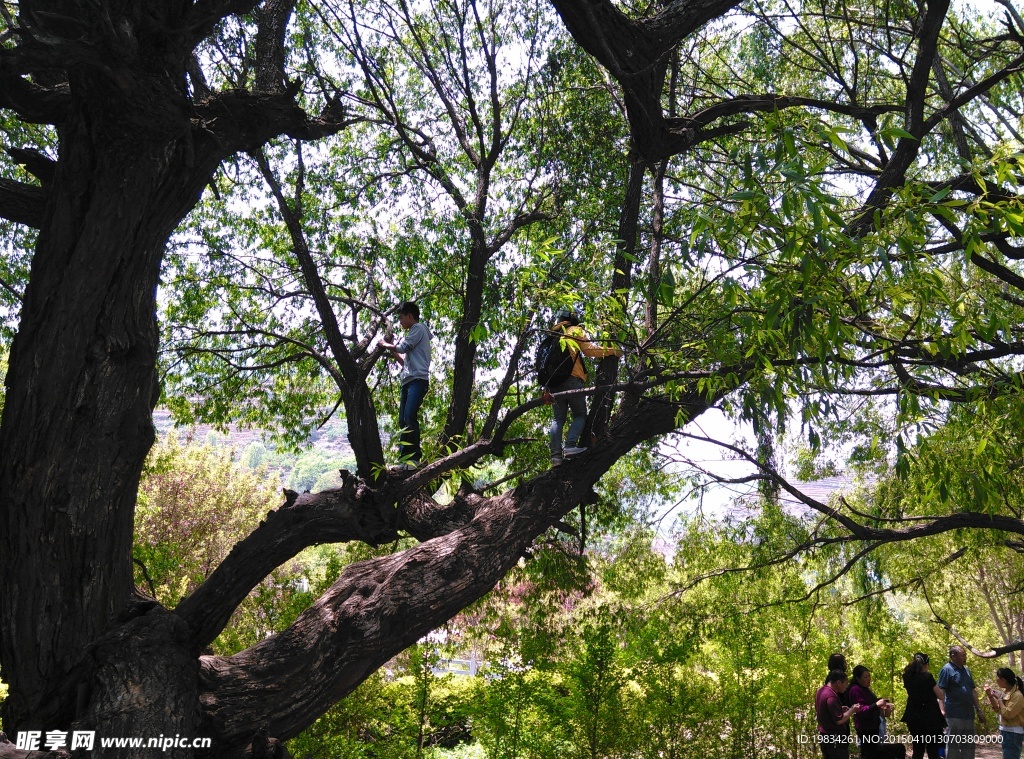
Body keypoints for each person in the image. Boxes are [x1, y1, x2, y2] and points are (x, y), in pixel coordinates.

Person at [545, 308, 622, 467]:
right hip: (572, 378)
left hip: (553, 383)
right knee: (580, 415)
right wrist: (612, 351)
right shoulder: (574, 330)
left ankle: (556, 457)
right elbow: (588, 350)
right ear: (573, 320)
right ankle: (570, 446)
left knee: (558, 419)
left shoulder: (553, 335)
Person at [379, 302, 432, 470]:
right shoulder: (414, 334)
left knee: (409, 416)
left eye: (401, 318)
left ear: (410, 316)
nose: (400, 322)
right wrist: (392, 349)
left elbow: (404, 347)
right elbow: (404, 361)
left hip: (418, 381)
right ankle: (405, 460)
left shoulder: (418, 328)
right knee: (403, 420)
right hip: (408, 381)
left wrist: (386, 344)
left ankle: (414, 459)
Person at [937, 646, 986, 759]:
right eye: (962, 655)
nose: (965, 657)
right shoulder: (946, 669)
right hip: (953, 714)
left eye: (965, 655)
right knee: (953, 746)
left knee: (968, 747)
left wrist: (978, 710)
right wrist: (941, 709)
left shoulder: (966, 670)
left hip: (968, 715)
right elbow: (941, 691)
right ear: (953, 656)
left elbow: (973, 691)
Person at [850, 664, 906, 758]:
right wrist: (876, 704)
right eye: (865, 677)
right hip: (865, 730)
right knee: (870, 753)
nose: (869, 679)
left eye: (869, 676)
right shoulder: (856, 690)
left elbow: (871, 703)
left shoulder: (865, 689)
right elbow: (861, 710)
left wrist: (883, 703)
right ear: (858, 678)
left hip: (873, 728)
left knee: (874, 753)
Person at [902, 652, 947, 759]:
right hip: (930, 717)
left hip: (913, 717)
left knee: (918, 749)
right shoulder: (927, 676)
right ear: (926, 665)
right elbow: (940, 695)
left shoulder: (906, 676)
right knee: (933, 750)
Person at [816, 669, 861, 759]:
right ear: (838, 683)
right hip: (834, 738)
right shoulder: (831, 696)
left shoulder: (821, 691)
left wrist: (840, 709)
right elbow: (839, 720)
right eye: (845, 683)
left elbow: (825, 710)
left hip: (824, 736)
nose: (846, 686)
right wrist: (852, 710)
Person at [984, 667, 1024, 759]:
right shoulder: (1007, 692)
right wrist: (990, 696)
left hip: (1013, 733)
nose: (996, 680)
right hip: (1006, 731)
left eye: (997, 677)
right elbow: (999, 710)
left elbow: (1008, 714)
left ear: (1003, 679)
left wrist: (1000, 699)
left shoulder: (1017, 696)